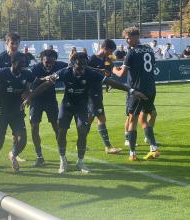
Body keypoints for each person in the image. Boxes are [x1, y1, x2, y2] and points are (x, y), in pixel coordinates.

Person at [23, 52, 147, 174]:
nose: (81, 70)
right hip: (67, 105)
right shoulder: (64, 72)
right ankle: (63, 160)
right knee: (61, 129)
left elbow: (111, 82)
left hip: (82, 106)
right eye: (78, 67)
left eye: (83, 67)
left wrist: (131, 90)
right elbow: (45, 85)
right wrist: (30, 97)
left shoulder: (91, 73)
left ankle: (80, 161)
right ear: (72, 65)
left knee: (82, 129)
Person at [112, 26, 160, 161]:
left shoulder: (131, 53)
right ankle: (154, 149)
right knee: (143, 119)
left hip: (137, 90)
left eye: (127, 38)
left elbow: (122, 73)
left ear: (134, 37)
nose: (126, 40)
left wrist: (113, 70)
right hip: (151, 89)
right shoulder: (149, 49)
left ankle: (132, 153)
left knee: (133, 120)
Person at [0, 32, 26, 164]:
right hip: (2, 100)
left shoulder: (22, 58)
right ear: (6, 43)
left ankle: (14, 153)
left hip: (17, 99)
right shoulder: (0, 58)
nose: (14, 45)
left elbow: (26, 77)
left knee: (16, 130)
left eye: (17, 43)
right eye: (12, 43)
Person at [29, 49, 67, 167]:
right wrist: (43, 78)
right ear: (41, 60)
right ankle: (39, 156)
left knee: (57, 127)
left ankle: (62, 156)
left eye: (52, 62)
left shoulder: (60, 65)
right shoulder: (35, 68)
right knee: (34, 126)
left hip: (51, 100)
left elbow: (74, 66)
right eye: (47, 62)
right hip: (36, 100)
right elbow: (31, 81)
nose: (50, 65)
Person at [87, 39, 122, 154]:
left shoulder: (106, 59)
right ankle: (108, 147)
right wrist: (99, 70)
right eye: (110, 51)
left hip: (98, 91)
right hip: (92, 93)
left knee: (89, 119)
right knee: (102, 118)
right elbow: (85, 71)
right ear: (105, 48)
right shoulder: (92, 59)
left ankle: (80, 143)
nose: (111, 54)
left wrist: (110, 63)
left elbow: (108, 73)